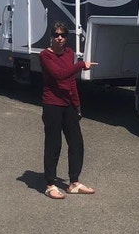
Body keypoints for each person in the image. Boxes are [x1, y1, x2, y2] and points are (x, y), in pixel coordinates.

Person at [39, 21, 97, 199]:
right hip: (52, 104)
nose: (59, 38)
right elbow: (58, 75)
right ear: (51, 37)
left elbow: (70, 81)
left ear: (66, 37)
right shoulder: (44, 56)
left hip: (68, 104)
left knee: (76, 143)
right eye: (56, 35)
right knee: (54, 144)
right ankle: (50, 184)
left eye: (63, 35)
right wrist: (81, 65)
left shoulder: (69, 53)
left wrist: (77, 105)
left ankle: (74, 183)